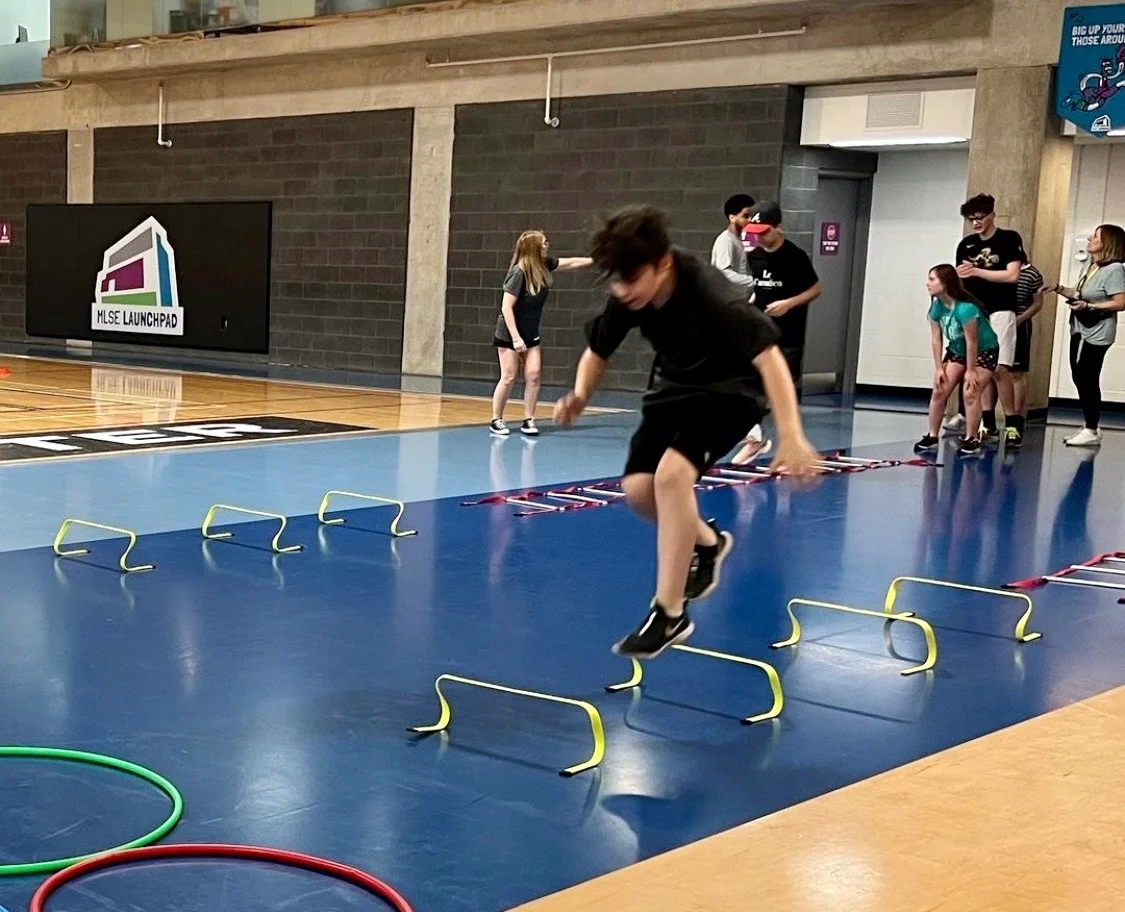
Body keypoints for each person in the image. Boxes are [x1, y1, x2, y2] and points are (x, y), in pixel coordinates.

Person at [553, 205, 820, 659]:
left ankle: (669, 614)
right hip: (674, 388)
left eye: (630, 280)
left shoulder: (711, 293)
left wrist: (791, 434)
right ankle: (709, 543)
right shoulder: (628, 292)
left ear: (663, 264)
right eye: (615, 281)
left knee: (672, 477)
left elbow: (770, 357)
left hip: (730, 391)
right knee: (640, 492)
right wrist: (579, 395)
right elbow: (598, 350)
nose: (622, 291)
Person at [733, 201, 822, 464]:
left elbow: (816, 289)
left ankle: (789, 447)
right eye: (756, 232)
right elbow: (760, 289)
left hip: (788, 333)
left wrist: (789, 303)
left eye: (765, 232)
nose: (760, 237)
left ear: (779, 228)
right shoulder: (755, 255)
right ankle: (754, 437)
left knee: (781, 391)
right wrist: (747, 307)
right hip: (760, 332)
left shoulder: (795, 257)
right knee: (745, 383)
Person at [490, 231, 591, 437]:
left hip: (531, 332)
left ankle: (529, 420)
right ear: (534, 248)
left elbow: (571, 263)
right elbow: (506, 307)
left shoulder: (545, 264)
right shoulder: (518, 273)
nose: (547, 246)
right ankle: (496, 419)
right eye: (544, 244)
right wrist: (516, 338)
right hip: (510, 333)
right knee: (509, 377)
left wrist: (597, 260)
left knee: (534, 375)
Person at [952, 194, 1024, 444]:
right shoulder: (967, 244)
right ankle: (987, 421)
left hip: (1002, 308)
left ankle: (1013, 422)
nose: (975, 223)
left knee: (1000, 369)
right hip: (976, 311)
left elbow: (1011, 276)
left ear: (992, 215)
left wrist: (977, 271)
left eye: (979, 218)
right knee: (982, 368)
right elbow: (961, 278)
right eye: (970, 219)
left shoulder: (1008, 239)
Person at [1044, 223, 1125, 447]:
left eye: (1096, 236)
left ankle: (1091, 427)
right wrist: (1059, 289)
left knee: (1087, 376)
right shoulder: (1092, 267)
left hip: (1098, 330)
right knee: (1079, 375)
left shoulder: (1115, 270)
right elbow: (1079, 293)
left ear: (1107, 242)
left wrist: (1089, 306)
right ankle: (1091, 424)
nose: (1090, 239)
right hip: (1079, 327)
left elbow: (1120, 302)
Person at [915, 264, 1001, 457]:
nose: (927, 283)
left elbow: (973, 342)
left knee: (970, 391)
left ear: (945, 283)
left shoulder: (966, 309)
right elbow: (936, 338)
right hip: (956, 350)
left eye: (932, 279)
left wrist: (970, 371)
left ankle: (972, 438)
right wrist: (939, 367)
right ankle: (932, 435)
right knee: (940, 389)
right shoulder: (937, 307)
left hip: (983, 350)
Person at [710, 192, 770, 460]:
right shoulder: (726, 241)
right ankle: (750, 434)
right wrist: (756, 283)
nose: (749, 220)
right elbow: (724, 272)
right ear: (731, 216)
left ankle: (753, 435)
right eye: (745, 215)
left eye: (751, 216)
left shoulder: (746, 242)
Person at [1010, 260, 1046, 442]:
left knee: (1017, 373)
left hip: (1019, 325)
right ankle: (988, 423)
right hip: (995, 324)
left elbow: (1038, 303)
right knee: (992, 373)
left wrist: (1019, 319)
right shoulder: (997, 270)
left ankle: (1016, 422)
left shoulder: (1032, 274)